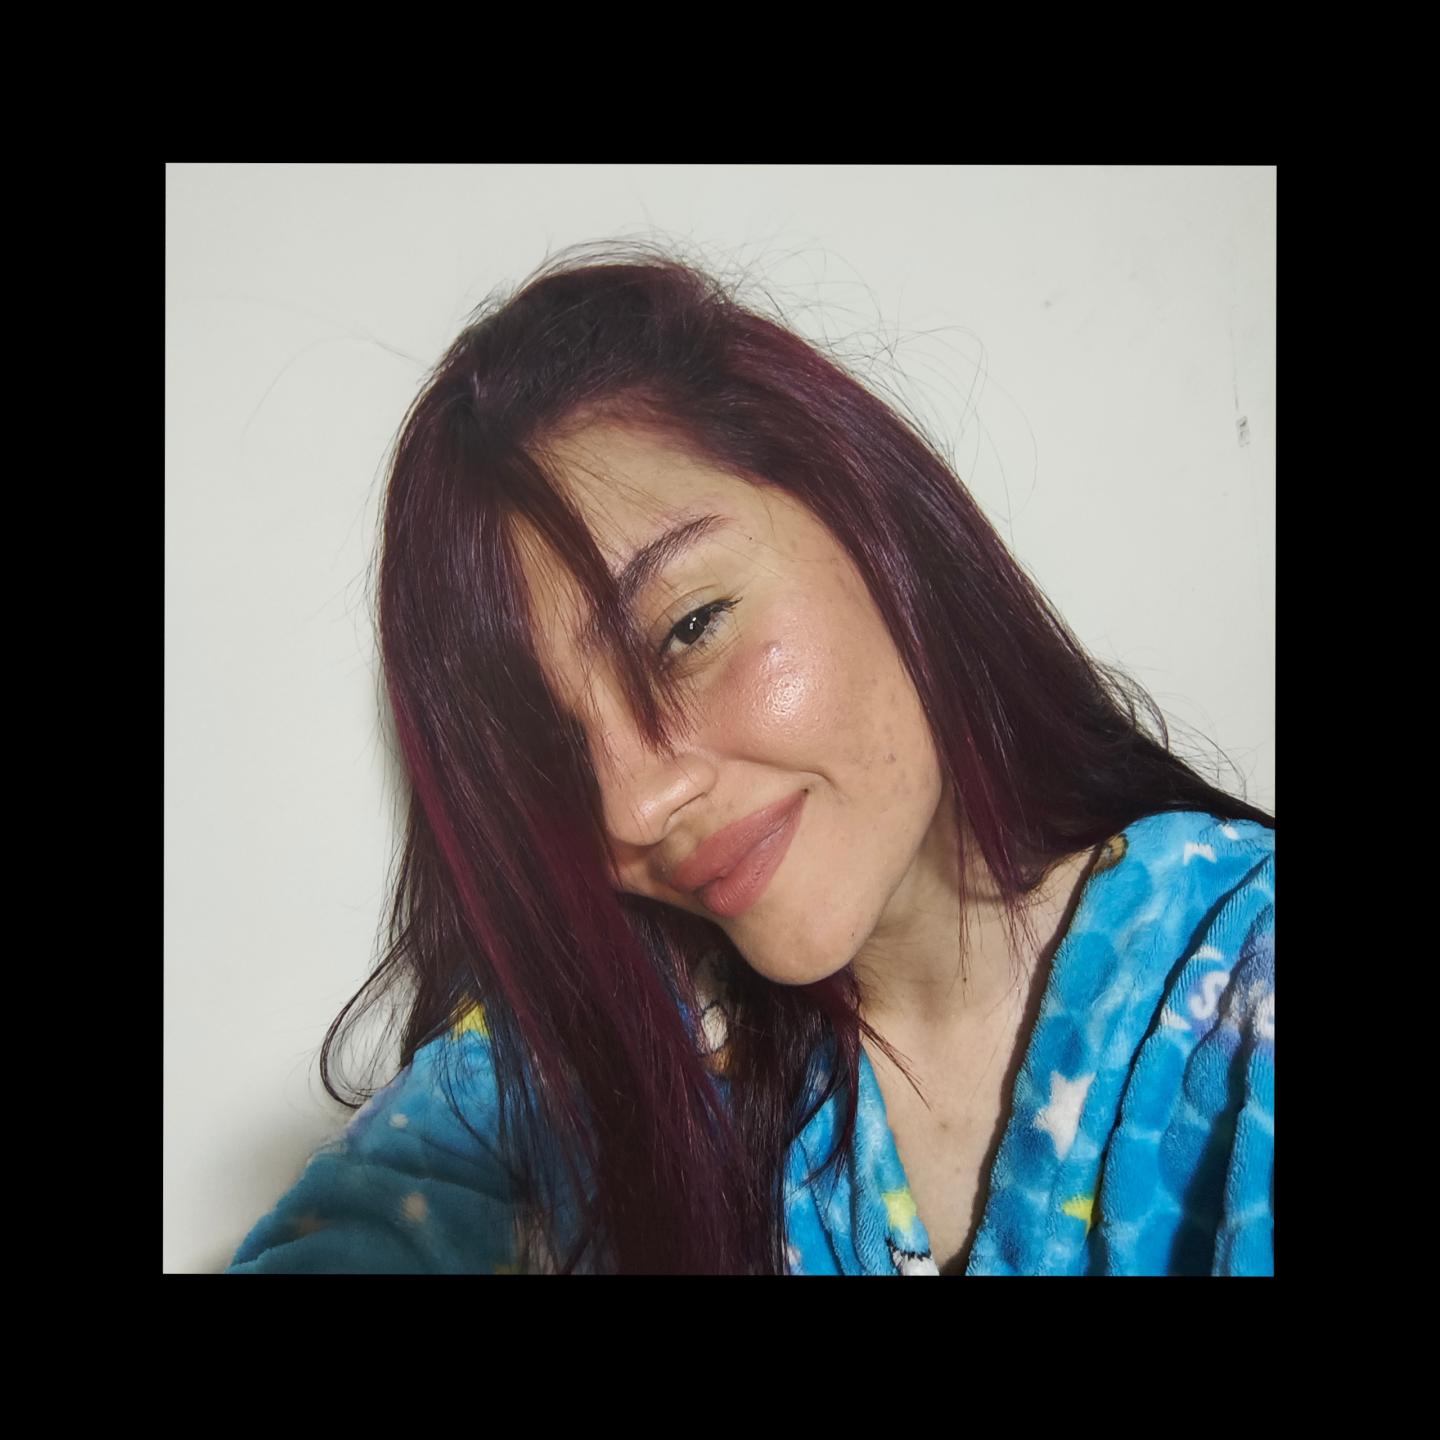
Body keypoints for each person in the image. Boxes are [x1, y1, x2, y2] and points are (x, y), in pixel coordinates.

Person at [225, 241, 1274, 1276]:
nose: (632, 809)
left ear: (874, 520)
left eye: (689, 630)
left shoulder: (1239, 990)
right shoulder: (597, 1057)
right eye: (553, 755)